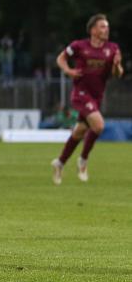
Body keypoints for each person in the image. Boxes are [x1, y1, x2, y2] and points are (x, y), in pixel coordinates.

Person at [51, 14, 123, 184]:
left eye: (107, 26)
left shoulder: (112, 49)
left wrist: (116, 66)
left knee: (79, 132)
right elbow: (60, 58)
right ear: (93, 30)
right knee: (98, 126)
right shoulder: (78, 46)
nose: (107, 29)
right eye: (103, 26)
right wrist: (68, 71)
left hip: (97, 96)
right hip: (81, 93)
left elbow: (117, 75)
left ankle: (59, 163)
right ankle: (83, 160)